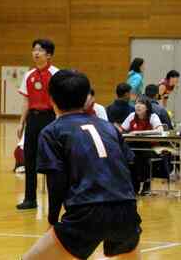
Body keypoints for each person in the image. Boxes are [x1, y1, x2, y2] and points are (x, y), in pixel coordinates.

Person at [22, 69, 141, 260]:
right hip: (126, 209)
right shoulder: (109, 127)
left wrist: (53, 220)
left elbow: (56, 180)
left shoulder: (52, 131)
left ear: (51, 98)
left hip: (87, 211)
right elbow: (130, 166)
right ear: (87, 97)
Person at [16, 39, 59, 211]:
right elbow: (26, 101)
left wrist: (58, 120)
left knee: (51, 160)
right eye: (34, 50)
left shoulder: (57, 74)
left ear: (48, 55)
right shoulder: (29, 75)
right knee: (30, 159)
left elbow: (59, 100)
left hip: (50, 118)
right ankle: (30, 199)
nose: (35, 53)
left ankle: (54, 200)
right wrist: (21, 123)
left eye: (39, 50)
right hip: (33, 120)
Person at [120, 96, 164, 195]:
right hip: (134, 147)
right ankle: (134, 183)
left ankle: (146, 183)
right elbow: (121, 130)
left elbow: (160, 130)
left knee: (141, 156)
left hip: (151, 148)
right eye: (136, 103)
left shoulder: (153, 116)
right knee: (129, 155)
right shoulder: (131, 116)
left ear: (147, 107)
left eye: (141, 103)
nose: (138, 106)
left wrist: (139, 133)